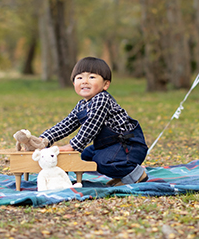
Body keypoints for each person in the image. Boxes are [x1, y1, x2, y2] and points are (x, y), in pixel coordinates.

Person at [39, 57, 149, 186]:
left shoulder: (102, 99)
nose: (85, 81)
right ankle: (122, 176)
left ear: (105, 84)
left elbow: (92, 124)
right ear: (74, 83)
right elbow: (66, 124)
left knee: (102, 161)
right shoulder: (81, 105)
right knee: (86, 155)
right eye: (79, 78)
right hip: (110, 145)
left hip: (128, 145)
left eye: (91, 77)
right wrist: (45, 139)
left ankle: (135, 174)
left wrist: (73, 145)